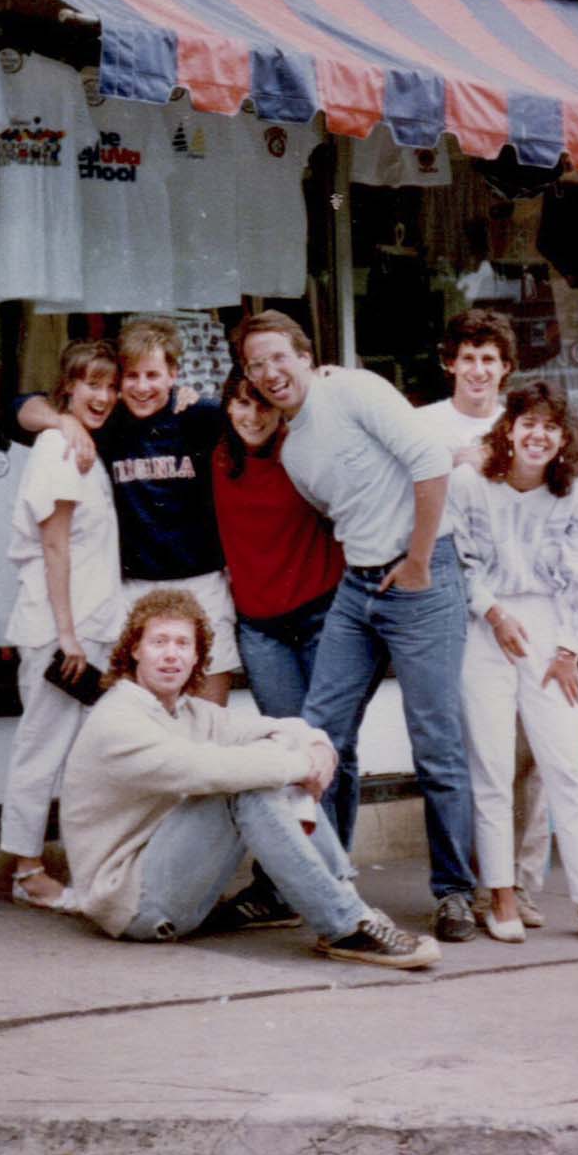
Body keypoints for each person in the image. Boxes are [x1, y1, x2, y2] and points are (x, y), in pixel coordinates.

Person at [235, 310, 478, 944]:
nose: (269, 374)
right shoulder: (291, 447)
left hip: (422, 578)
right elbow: (337, 511)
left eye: (277, 357)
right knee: (318, 737)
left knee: (436, 743)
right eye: (255, 365)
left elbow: (430, 463)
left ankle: (455, 893)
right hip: (359, 585)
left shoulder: (354, 389)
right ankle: (329, 884)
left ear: (303, 354)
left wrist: (420, 558)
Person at [59, 588, 441, 969]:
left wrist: (317, 746)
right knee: (246, 787)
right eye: (158, 641)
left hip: (170, 883)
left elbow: (275, 728)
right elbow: (204, 768)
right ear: (134, 650)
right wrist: (301, 765)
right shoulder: (119, 718)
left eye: (182, 643)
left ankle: (349, 905)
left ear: (197, 657)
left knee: (266, 771)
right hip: (133, 905)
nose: (171, 654)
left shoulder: (190, 712)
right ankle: (346, 925)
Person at [449, 382, 578, 947]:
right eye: (528, 423)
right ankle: (500, 896)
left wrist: (570, 649)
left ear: (563, 438)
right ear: (509, 429)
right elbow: (462, 561)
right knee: (492, 768)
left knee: (567, 769)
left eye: (550, 426)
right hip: (486, 628)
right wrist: (494, 614)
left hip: (549, 631)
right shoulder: (472, 484)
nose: (538, 435)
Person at [21, 317, 238, 704]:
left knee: (208, 712)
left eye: (153, 375)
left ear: (174, 373)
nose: (142, 387)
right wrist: (62, 420)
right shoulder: (108, 422)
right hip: (134, 588)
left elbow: (261, 417)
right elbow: (20, 408)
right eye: (132, 376)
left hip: (201, 580)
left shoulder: (200, 417)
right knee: (140, 713)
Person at [416, 309, 550, 932]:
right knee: (475, 752)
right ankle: (474, 885)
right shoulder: (421, 425)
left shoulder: (525, 424)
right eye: (466, 357)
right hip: (454, 599)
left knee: (532, 753)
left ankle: (522, 885)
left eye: (489, 359)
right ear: (449, 362)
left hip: (528, 604)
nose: (477, 370)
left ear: (506, 368)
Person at [201, 367, 347, 933]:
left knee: (331, 750)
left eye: (263, 403)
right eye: (241, 403)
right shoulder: (214, 456)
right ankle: (285, 884)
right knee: (286, 753)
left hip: (320, 615)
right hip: (261, 628)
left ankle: (331, 879)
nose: (252, 415)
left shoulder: (304, 452)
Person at [0, 339, 123, 911]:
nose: (103, 396)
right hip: (59, 627)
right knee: (42, 747)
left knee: (75, 753)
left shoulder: (81, 445)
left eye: (110, 386)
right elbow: (54, 546)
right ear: (68, 387)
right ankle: (26, 871)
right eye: (91, 384)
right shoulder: (57, 446)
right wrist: (68, 634)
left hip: (89, 622)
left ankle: (70, 863)